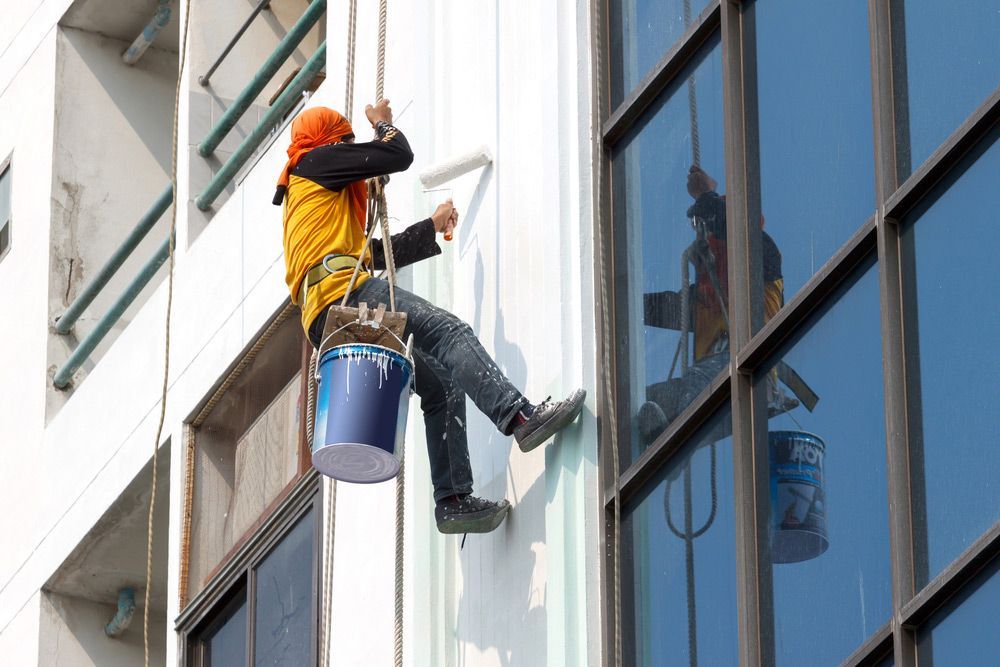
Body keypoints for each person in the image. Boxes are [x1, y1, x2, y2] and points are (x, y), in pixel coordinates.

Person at [274, 101, 586, 534]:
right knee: (448, 331)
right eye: (345, 142)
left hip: (328, 311)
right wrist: (381, 122)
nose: (349, 151)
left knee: (439, 383)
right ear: (328, 140)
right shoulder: (315, 161)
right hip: (343, 297)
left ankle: (453, 500)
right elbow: (397, 154)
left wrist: (430, 227)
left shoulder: (311, 200)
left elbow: (370, 255)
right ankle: (520, 418)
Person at [638, 165, 785, 442]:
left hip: (746, 375)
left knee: (694, 386)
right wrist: (625, 307)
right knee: (642, 402)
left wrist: (705, 195)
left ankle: (669, 444)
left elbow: (735, 230)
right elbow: (661, 307)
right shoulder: (706, 299)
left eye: (714, 238)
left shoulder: (765, 262)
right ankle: (655, 448)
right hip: (717, 387)